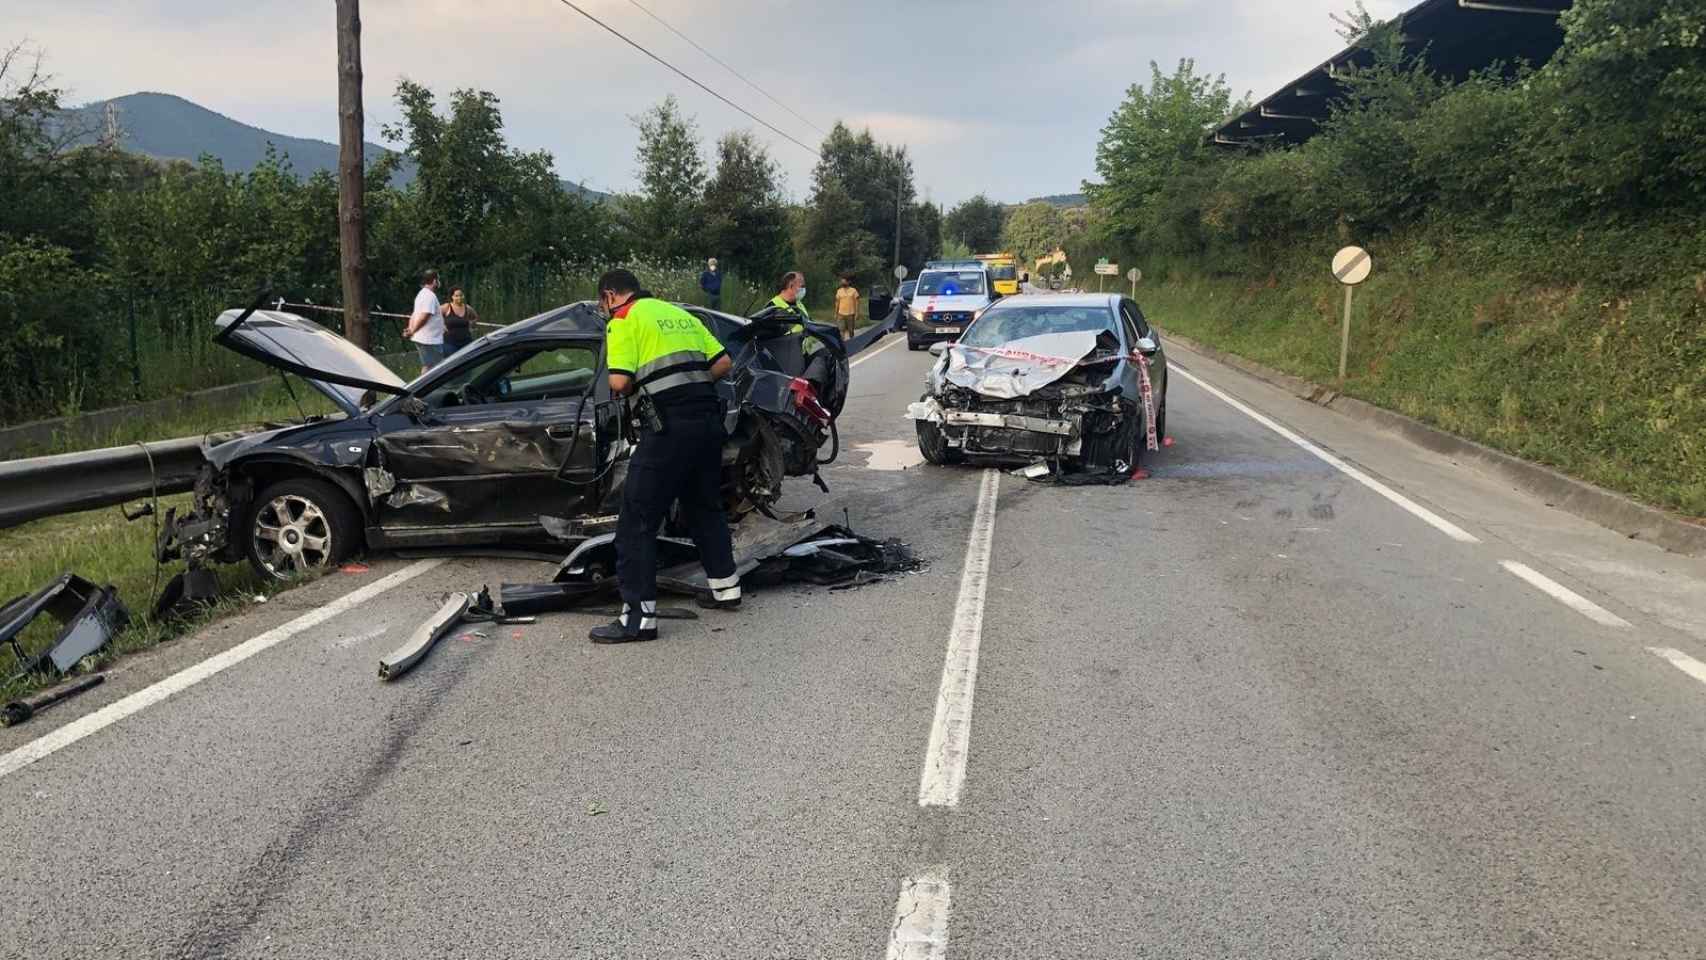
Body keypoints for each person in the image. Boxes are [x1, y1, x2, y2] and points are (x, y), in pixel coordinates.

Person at [590, 268, 740, 644]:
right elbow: (724, 363)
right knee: (704, 505)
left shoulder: (623, 320)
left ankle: (638, 620)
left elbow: (620, 383)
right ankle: (726, 589)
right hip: (707, 422)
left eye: (602, 303)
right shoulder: (680, 315)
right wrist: (689, 382)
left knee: (636, 519)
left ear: (610, 296)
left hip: (668, 428)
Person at [405, 269, 446, 370]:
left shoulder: (421, 294)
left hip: (425, 339)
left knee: (428, 367)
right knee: (435, 369)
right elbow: (424, 316)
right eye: (438, 279)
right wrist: (412, 330)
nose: (438, 282)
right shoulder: (429, 296)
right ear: (434, 281)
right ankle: (424, 386)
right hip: (429, 340)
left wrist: (410, 329)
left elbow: (414, 315)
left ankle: (424, 385)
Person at [440, 286, 480, 355]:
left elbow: (475, 317)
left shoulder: (467, 308)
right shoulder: (447, 307)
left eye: (461, 295)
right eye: (456, 296)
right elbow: (434, 316)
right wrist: (441, 325)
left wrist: (471, 324)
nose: (459, 298)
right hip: (450, 343)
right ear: (452, 297)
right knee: (452, 363)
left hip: (466, 342)